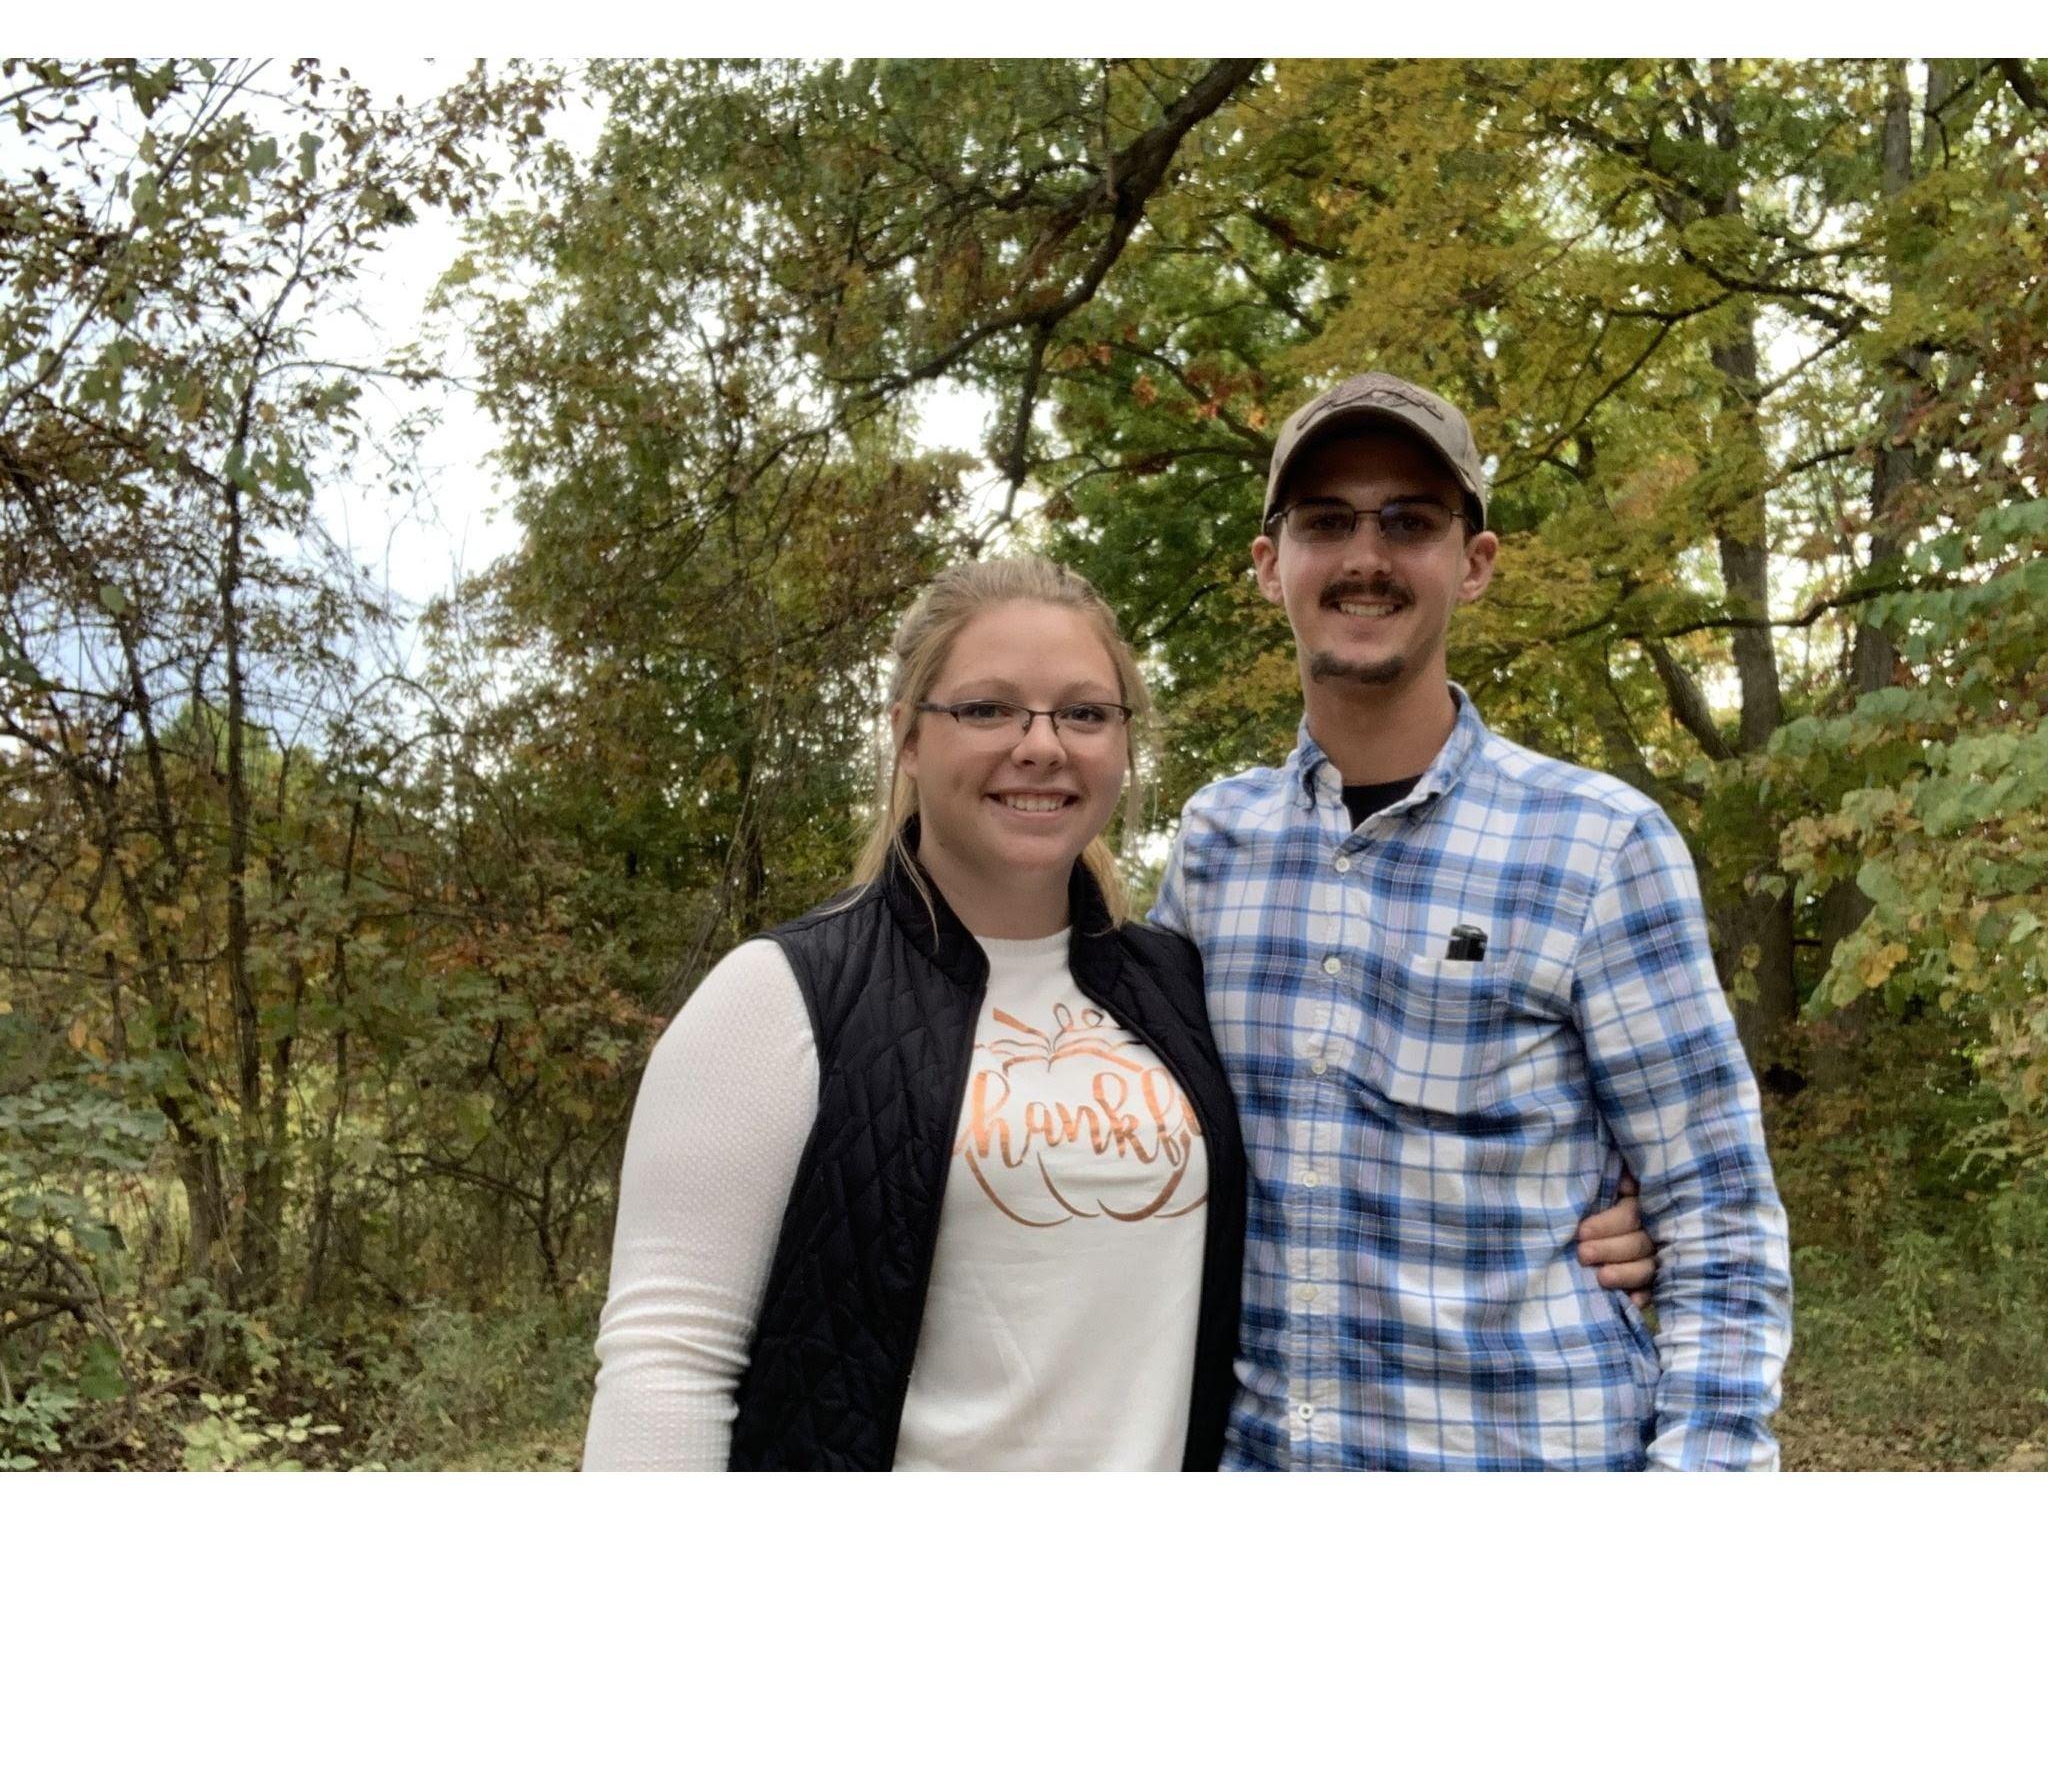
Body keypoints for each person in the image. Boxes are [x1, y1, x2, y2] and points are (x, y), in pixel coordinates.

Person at [581, 553, 1656, 1469]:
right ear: (909, 737)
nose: (1039, 744)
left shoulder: (1169, 984)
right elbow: (667, 1363)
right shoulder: (779, 999)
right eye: (988, 706)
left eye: (1083, 713)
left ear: (1120, 744)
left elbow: (1321, 1139)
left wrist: (1574, 1202)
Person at [1151, 369, 1795, 1470]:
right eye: (1325, 521)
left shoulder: (1598, 844)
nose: (1365, 555)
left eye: (1409, 521)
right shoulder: (1214, 845)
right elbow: (1137, 1152)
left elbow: (1717, 1218)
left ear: (1474, 563)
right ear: (1270, 566)